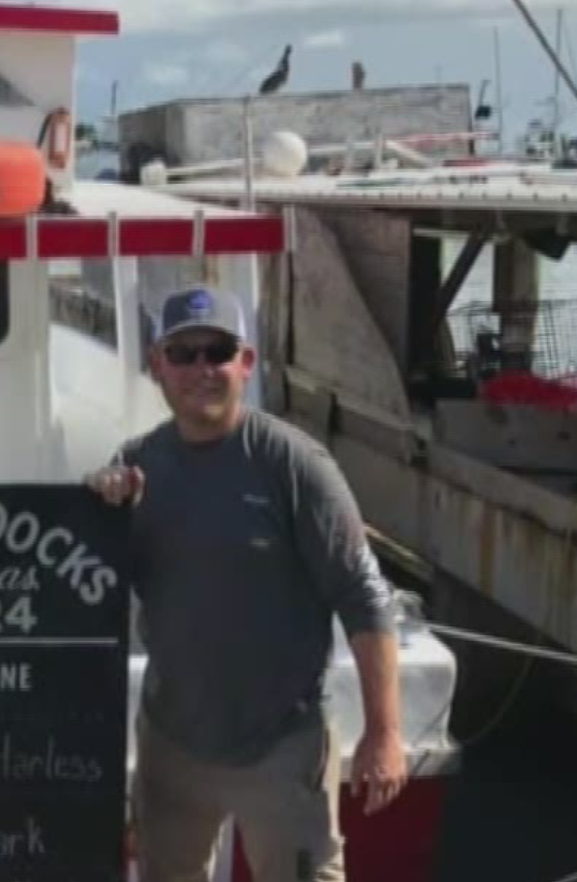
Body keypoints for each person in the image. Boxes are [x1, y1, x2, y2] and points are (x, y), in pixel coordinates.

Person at [88, 284, 407, 882]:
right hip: (171, 743)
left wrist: (385, 734)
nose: (201, 369)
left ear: (246, 363)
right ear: (157, 365)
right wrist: (96, 509)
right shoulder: (135, 464)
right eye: (183, 354)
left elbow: (365, 598)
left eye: (218, 351)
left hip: (284, 743)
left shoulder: (295, 464)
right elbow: (91, 593)